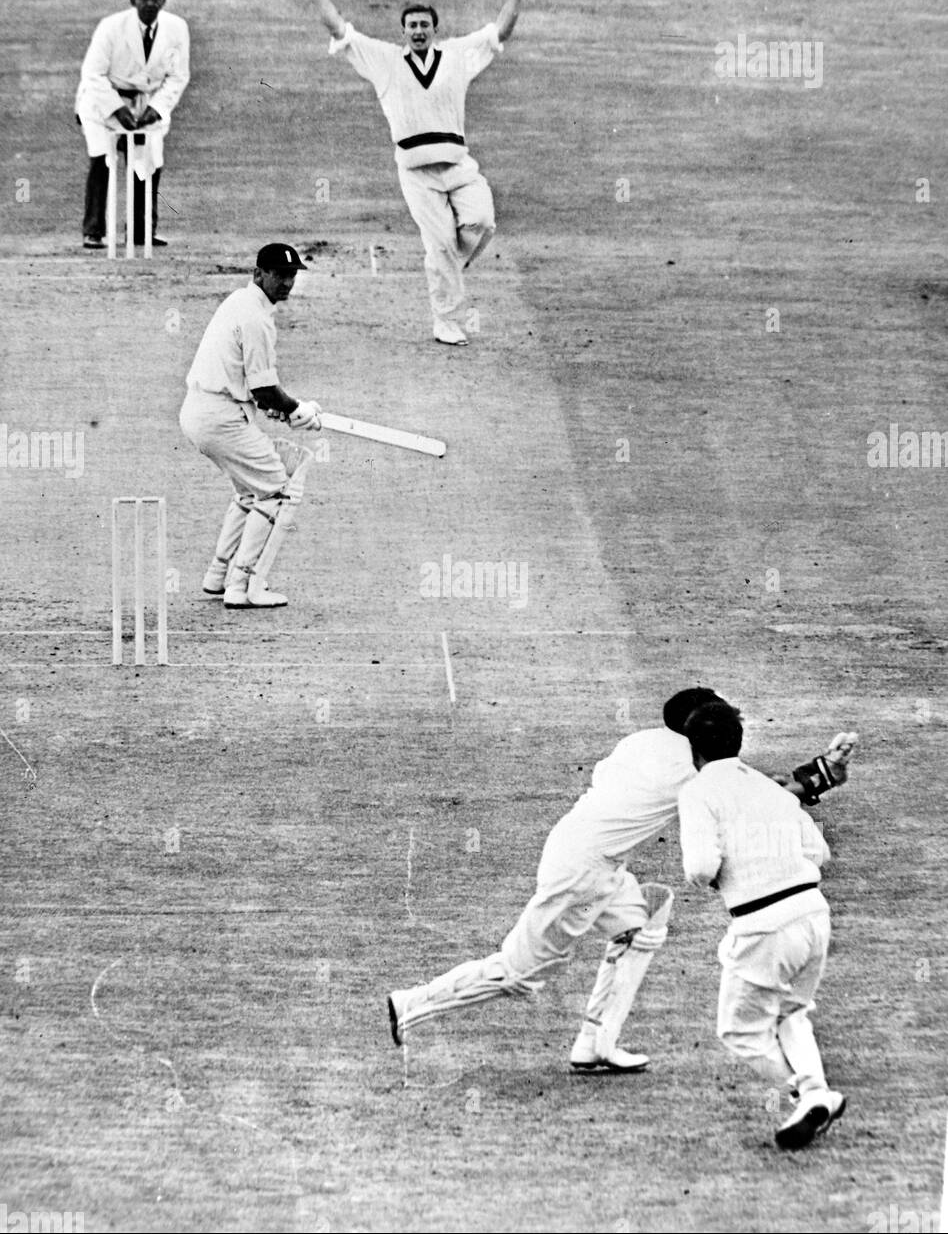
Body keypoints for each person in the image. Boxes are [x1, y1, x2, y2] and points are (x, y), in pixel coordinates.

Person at [387, 688, 856, 1074]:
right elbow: (756, 794)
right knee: (520, 973)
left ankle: (596, 1043)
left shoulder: (643, 741)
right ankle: (411, 1004)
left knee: (645, 924)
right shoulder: (686, 766)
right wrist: (821, 775)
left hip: (587, 856)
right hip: (581, 872)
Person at [303, 0, 541, 345]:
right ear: (402, 32)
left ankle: (444, 264)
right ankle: (447, 322)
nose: (418, 31)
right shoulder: (383, 60)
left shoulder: (457, 54)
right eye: (411, 26)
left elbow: (500, 33)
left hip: (459, 165)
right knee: (443, 244)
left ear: (434, 29)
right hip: (417, 173)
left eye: (424, 25)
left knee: (481, 222)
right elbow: (340, 30)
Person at [677, 700, 850, 1150]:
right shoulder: (772, 789)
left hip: (764, 923)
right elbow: (818, 853)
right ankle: (814, 1092)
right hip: (813, 913)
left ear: (692, 750)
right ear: (738, 742)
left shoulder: (698, 791)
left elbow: (699, 866)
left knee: (739, 1032)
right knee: (791, 1013)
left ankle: (811, 1096)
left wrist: (728, 873)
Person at [179, 244, 322, 610]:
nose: (287, 282)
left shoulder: (238, 301)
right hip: (220, 417)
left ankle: (217, 574)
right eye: (279, 274)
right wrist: (296, 409)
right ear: (259, 273)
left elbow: (254, 389)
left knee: (248, 490)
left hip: (201, 411)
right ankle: (243, 587)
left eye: (292, 275)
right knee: (275, 489)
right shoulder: (257, 318)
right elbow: (263, 389)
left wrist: (280, 409)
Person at [75, 0, 190, 249]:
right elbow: (92, 73)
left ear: (163, 0)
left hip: (145, 103)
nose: (151, 3)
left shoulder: (176, 28)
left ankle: (141, 231)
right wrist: (116, 109)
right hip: (101, 101)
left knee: (146, 163)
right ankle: (93, 230)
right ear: (134, 2)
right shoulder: (111, 27)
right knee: (103, 158)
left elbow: (179, 76)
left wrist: (156, 108)